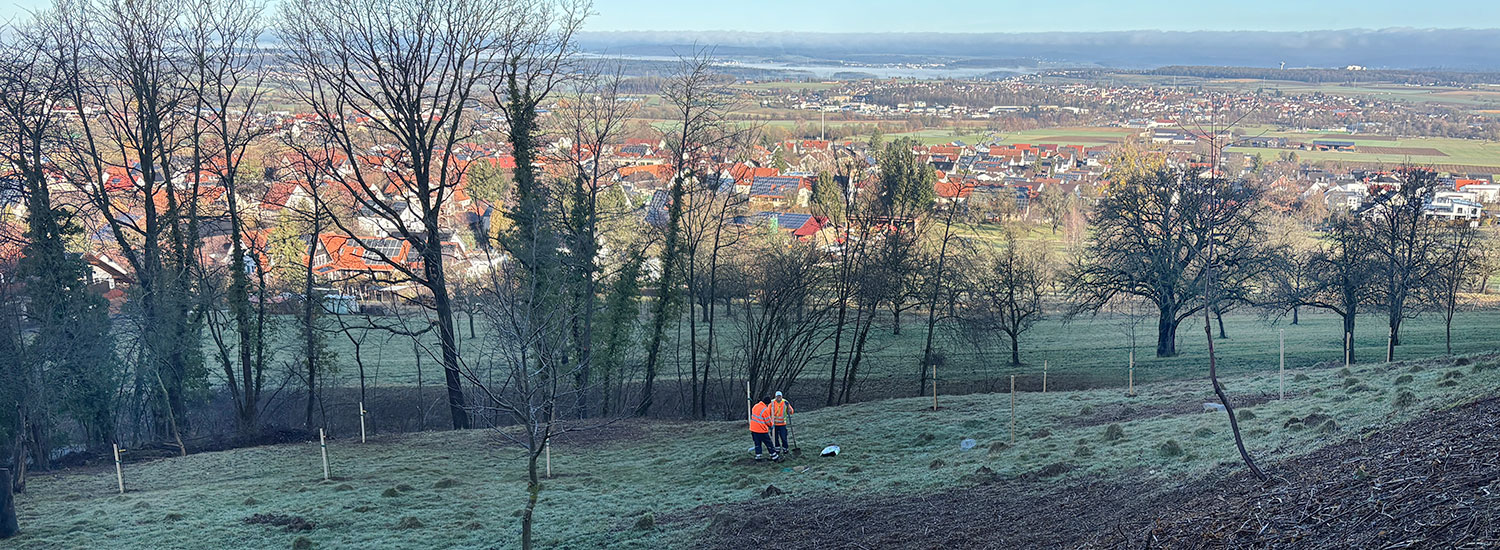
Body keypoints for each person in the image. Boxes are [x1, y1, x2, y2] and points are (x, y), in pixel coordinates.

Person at [749, 395, 777, 461]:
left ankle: (758, 456)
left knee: (757, 443)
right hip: (761, 430)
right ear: (767, 403)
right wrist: (771, 425)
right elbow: (767, 421)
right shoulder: (765, 409)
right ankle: (774, 456)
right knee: (768, 443)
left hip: (753, 429)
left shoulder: (755, 406)